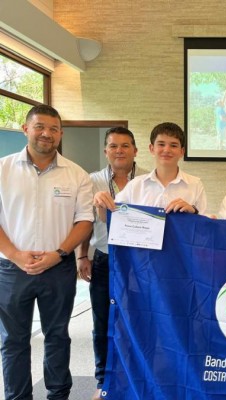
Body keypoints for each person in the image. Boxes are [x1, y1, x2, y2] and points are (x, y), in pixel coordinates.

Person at [0, 104, 94, 400]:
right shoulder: (2, 170)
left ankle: (58, 395)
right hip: (12, 269)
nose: (46, 133)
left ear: (61, 134)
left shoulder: (76, 174)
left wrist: (59, 253)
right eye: (39, 126)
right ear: (26, 129)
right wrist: (15, 254)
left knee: (57, 336)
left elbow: (85, 221)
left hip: (58, 268)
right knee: (13, 340)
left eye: (54, 129)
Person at [76, 127, 147, 400]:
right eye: (114, 146)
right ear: (106, 150)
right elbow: (85, 221)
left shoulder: (148, 180)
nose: (119, 151)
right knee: (103, 322)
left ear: (135, 150)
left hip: (141, 262)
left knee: (139, 320)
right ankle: (103, 380)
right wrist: (83, 255)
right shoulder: (91, 181)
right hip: (105, 258)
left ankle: (136, 376)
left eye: (125, 145)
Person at [94, 122, 207, 217]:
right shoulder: (135, 185)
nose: (167, 150)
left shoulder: (195, 184)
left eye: (173, 145)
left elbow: (206, 225)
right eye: (161, 144)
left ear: (182, 151)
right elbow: (110, 216)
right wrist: (102, 202)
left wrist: (193, 213)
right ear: (152, 148)